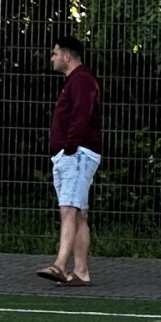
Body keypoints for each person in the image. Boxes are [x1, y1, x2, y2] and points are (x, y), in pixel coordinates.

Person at [38, 33, 102, 288]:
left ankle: (59, 264)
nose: (52, 58)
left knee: (69, 209)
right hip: (73, 154)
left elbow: (81, 116)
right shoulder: (76, 80)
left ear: (66, 55)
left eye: (55, 53)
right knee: (79, 213)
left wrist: (70, 147)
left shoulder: (81, 80)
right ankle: (81, 271)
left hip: (76, 155)